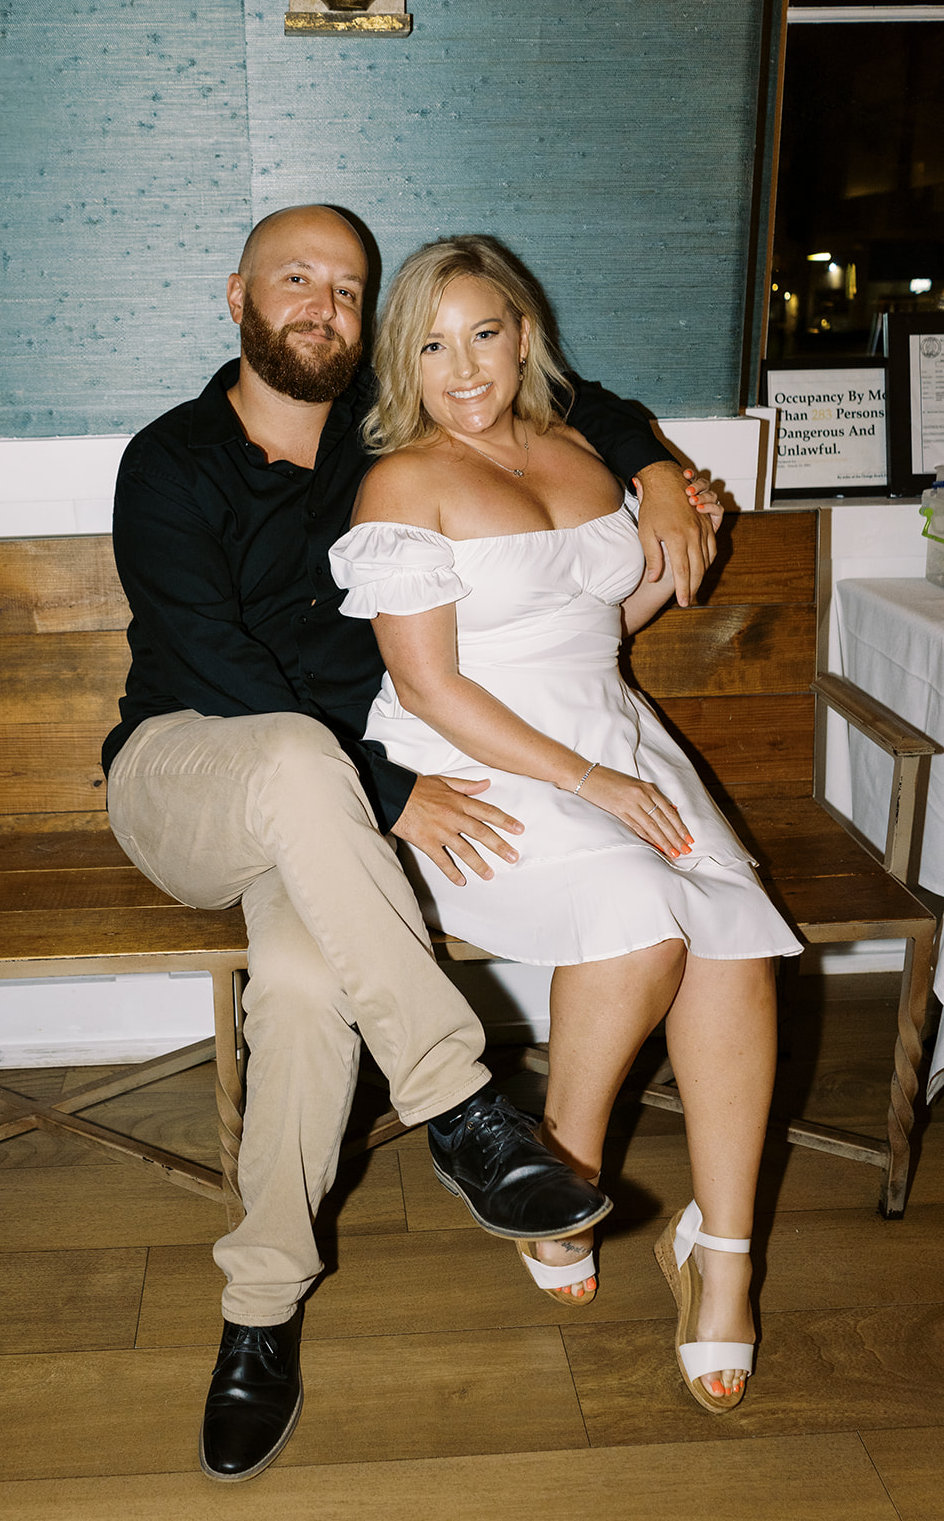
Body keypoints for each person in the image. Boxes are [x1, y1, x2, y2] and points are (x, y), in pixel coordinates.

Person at [102, 204, 721, 1480]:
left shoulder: (382, 442)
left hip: (328, 812)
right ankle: (461, 1108)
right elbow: (218, 666)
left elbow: (571, 396)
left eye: (345, 286)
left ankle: (258, 1309)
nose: (320, 303)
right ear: (237, 297)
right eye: (294, 279)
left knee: (304, 986)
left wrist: (654, 467)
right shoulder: (169, 461)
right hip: (190, 768)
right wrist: (391, 787)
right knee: (291, 748)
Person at [329, 233, 803, 1414]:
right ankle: (554, 1175)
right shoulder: (403, 483)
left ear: (523, 334)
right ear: (402, 364)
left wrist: (683, 534)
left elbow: (599, 623)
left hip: (612, 730)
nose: (462, 369)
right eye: (430, 346)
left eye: (482, 334)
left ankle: (722, 1254)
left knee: (731, 938)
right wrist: (591, 784)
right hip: (477, 763)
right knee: (642, 913)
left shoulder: (584, 447)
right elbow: (431, 687)